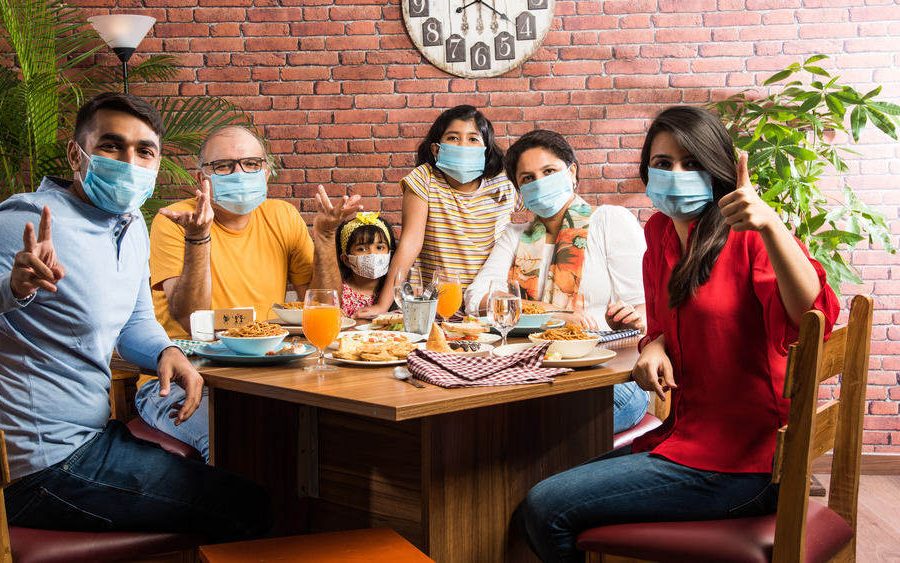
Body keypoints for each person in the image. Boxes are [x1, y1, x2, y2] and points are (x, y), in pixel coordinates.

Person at [0, 93, 272, 541]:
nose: (129, 161)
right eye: (111, 146)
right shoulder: (29, 218)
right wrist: (9, 289)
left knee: (239, 470)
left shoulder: (130, 222)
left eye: (144, 151)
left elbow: (134, 320)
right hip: (38, 471)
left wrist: (165, 351)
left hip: (92, 440)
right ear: (76, 154)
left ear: (156, 164)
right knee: (248, 505)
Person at [517, 105, 841, 562]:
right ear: (647, 171)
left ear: (719, 169)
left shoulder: (750, 234)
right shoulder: (661, 232)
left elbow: (811, 317)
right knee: (539, 502)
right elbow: (668, 323)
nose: (677, 175)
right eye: (664, 164)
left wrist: (771, 224)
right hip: (684, 442)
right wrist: (655, 345)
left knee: (546, 507)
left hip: (745, 467)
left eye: (693, 164)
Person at [135, 124, 315, 461]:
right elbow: (192, 318)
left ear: (266, 173)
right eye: (224, 166)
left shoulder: (283, 216)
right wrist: (198, 237)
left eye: (251, 164)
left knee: (324, 432)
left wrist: (329, 235)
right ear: (201, 178)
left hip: (264, 378)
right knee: (238, 442)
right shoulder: (176, 220)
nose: (240, 173)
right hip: (180, 379)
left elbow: (320, 306)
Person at [464, 129, 649, 434]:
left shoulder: (610, 220)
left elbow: (646, 307)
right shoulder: (514, 236)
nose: (539, 182)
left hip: (608, 375)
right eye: (527, 178)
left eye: (548, 171)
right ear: (519, 189)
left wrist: (629, 320)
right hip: (529, 371)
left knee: (528, 426)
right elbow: (476, 299)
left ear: (572, 171)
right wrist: (553, 314)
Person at [354, 105, 522, 319]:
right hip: (431, 306)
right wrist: (383, 304)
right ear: (436, 149)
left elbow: (544, 212)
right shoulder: (425, 179)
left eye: (473, 139)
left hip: (487, 305)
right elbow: (409, 242)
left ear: (486, 149)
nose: (463, 145)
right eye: (453, 138)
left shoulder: (504, 183)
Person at [310, 187, 397, 317]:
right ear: (346, 259)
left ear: (390, 254)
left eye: (380, 247)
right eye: (362, 249)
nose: (372, 254)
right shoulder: (340, 291)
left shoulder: (394, 291)